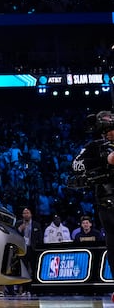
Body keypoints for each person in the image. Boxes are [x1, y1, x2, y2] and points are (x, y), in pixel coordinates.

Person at [70, 110, 114, 302]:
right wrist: (104, 160)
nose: (112, 132)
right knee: (113, 244)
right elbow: (76, 165)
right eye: (108, 129)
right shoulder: (94, 146)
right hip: (107, 201)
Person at [15, 206, 41, 296]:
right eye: (24, 213)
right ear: (22, 215)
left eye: (27, 213)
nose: (26, 215)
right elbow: (13, 235)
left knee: (34, 269)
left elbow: (40, 238)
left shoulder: (36, 225)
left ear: (31, 214)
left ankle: (33, 290)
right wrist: (19, 229)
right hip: (22, 249)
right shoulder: (18, 224)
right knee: (24, 270)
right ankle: (24, 289)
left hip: (32, 249)